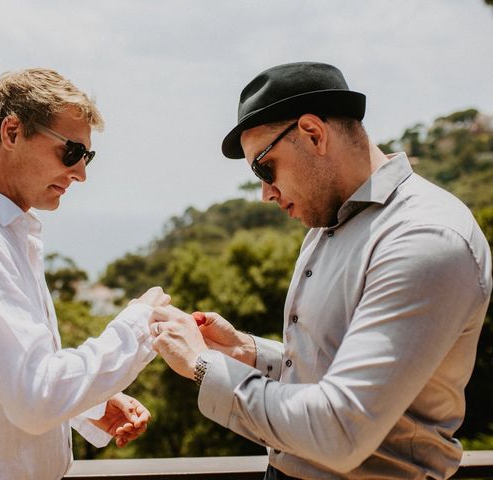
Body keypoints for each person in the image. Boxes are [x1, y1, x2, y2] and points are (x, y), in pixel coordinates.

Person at [149, 62, 492, 479]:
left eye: (264, 166)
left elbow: (340, 432)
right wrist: (248, 353)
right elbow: (327, 370)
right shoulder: (328, 221)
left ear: (313, 134)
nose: (264, 193)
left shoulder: (424, 237)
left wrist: (204, 365)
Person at [0, 68, 169, 480]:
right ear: (12, 133)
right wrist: (139, 325)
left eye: (87, 157)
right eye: (71, 152)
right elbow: (36, 397)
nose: (81, 173)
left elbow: (2, 374)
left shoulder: (5, 237)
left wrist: (92, 406)